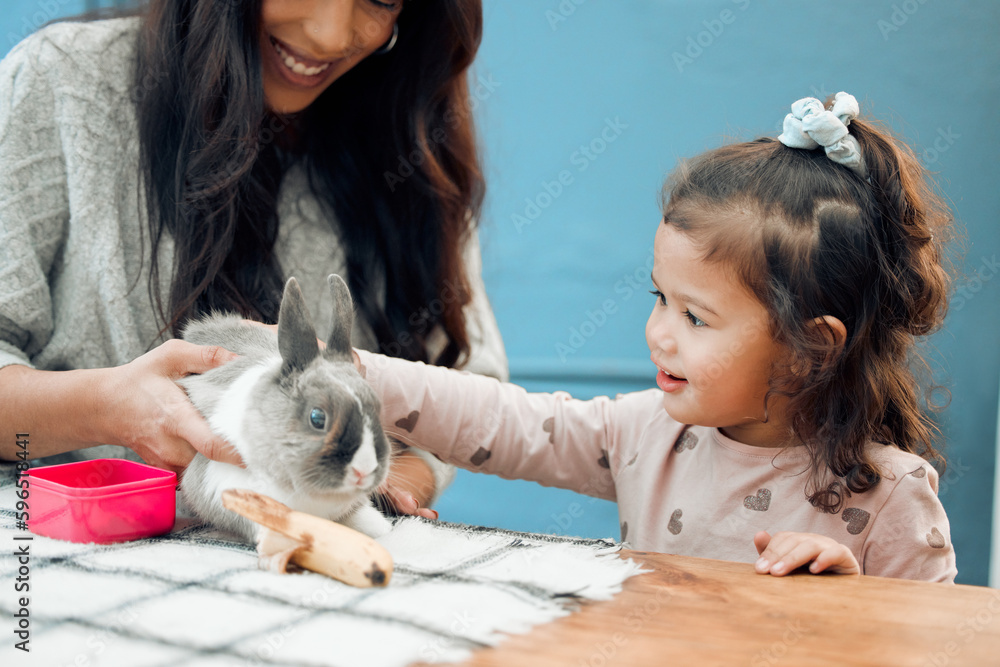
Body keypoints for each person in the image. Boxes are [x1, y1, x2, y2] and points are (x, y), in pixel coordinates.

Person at [352, 93, 958, 581]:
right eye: (658, 299)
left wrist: (849, 603)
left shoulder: (892, 496)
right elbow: (497, 421)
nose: (659, 335)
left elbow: (935, 646)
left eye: (695, 317)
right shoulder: (649, 434)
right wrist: (348, 372)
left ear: (810, 350)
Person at [0, 0, 507, 517]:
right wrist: (104, 407)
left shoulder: (406, 133)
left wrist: (398, 483)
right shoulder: (61, 83)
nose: (329, 36)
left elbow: (473, 378)